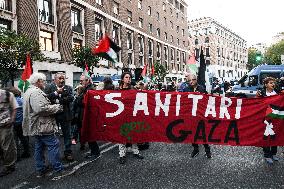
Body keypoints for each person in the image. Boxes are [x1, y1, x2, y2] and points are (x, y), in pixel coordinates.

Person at [22, 73, 64, 177]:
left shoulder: (29, 91)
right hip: (42, 125)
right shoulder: (36, 92)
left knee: (39, 147)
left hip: (37, 125)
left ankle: (40, 168)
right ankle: (58, 169)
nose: (45, 82)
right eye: (43, 81)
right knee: (53, 145)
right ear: (38, 82)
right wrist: (57, 107)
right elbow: (41, 109)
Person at [179, 73, 212, 159]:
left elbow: (207, 100)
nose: (191, 82)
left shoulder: (201, 88)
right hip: (191, 115)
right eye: (189, 80)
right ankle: (195, 149)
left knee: (203, 133)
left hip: (200, 115)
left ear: (196, 80)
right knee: (192, 133)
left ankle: (207, 150)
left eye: (193, 80)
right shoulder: (186, 89)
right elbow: (183, 101)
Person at [45, 72, 74, 162]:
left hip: (65, 115)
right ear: (55, 79)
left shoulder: (68, 87)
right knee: (53, 135)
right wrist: (56, 93)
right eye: (60, 78)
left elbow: (71, 98)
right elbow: (46, 98)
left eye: (63, 78)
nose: (62, 80)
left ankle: (68, 152)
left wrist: (57, 100)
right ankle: (55, 154)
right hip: (53, 115)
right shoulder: (49, 87)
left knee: (67, 135)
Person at [118, 72, 144, 164]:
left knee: (133, 134)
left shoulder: (133, 89)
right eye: (126, 77)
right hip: (122, 115)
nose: (128, 79)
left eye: (129, 77)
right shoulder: (118, 90)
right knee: (122, 135)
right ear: (122, 79)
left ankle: (136, 151)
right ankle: (122, 154)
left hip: (132, 115)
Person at [256, 77, 279, 164]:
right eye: (270, 83)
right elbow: (256, 104)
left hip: (276, 118)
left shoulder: (277, 92)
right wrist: (257, 96)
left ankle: (273, 153)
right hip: (265, 118)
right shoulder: (261, 93)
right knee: (266, 136)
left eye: (273, 83)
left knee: (275, 135)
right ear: (266, 85)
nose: (273, 84)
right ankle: (267, 154)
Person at [79, 74, 101, 159]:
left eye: (82, 81)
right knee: (88, 134)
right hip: (86, 114)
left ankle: (95, 152)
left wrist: (79, 98)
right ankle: (94, 151)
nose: (80, 82)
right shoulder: (86, 89)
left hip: (89, 115)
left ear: (87, 81)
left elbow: (83, 102)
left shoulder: (90, 90)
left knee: (90, 134)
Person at [7, 87, 30, 159]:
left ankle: (17, 155)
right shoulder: (21, 100)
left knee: (15, 139)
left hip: (14, 122)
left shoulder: (11, 101)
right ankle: (27, 152)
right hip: (21, 121)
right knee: (23, 138)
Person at [0, 88, 18, 177]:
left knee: (7, 147)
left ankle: (9, 166)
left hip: (5, 125)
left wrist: (12, 120)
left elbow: (15, 107)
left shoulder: (7, 94)